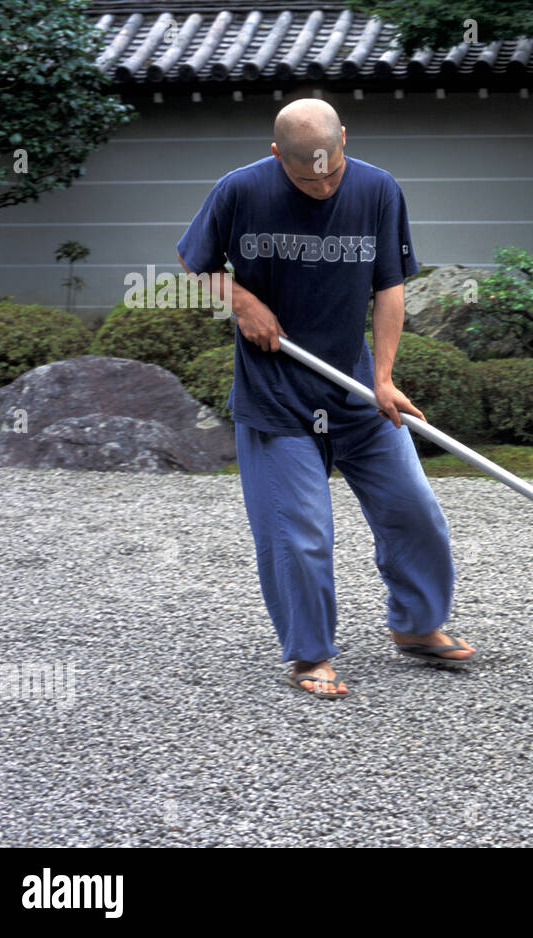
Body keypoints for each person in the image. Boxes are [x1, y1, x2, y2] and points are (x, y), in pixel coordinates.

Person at [176, 98, 475, 699]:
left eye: (331, 171)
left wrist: (384, 378)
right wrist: (242, 302)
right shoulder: (240, 191)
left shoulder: (378, 190)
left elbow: (389, 287)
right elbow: (197, 261)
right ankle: (310, 655)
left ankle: (417, 627)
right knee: (300, 533)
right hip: (276, 396)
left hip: (356, 389)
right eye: (305, 176)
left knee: (415, 512)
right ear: (274, 156)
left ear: (346, 141)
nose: (321, 185)